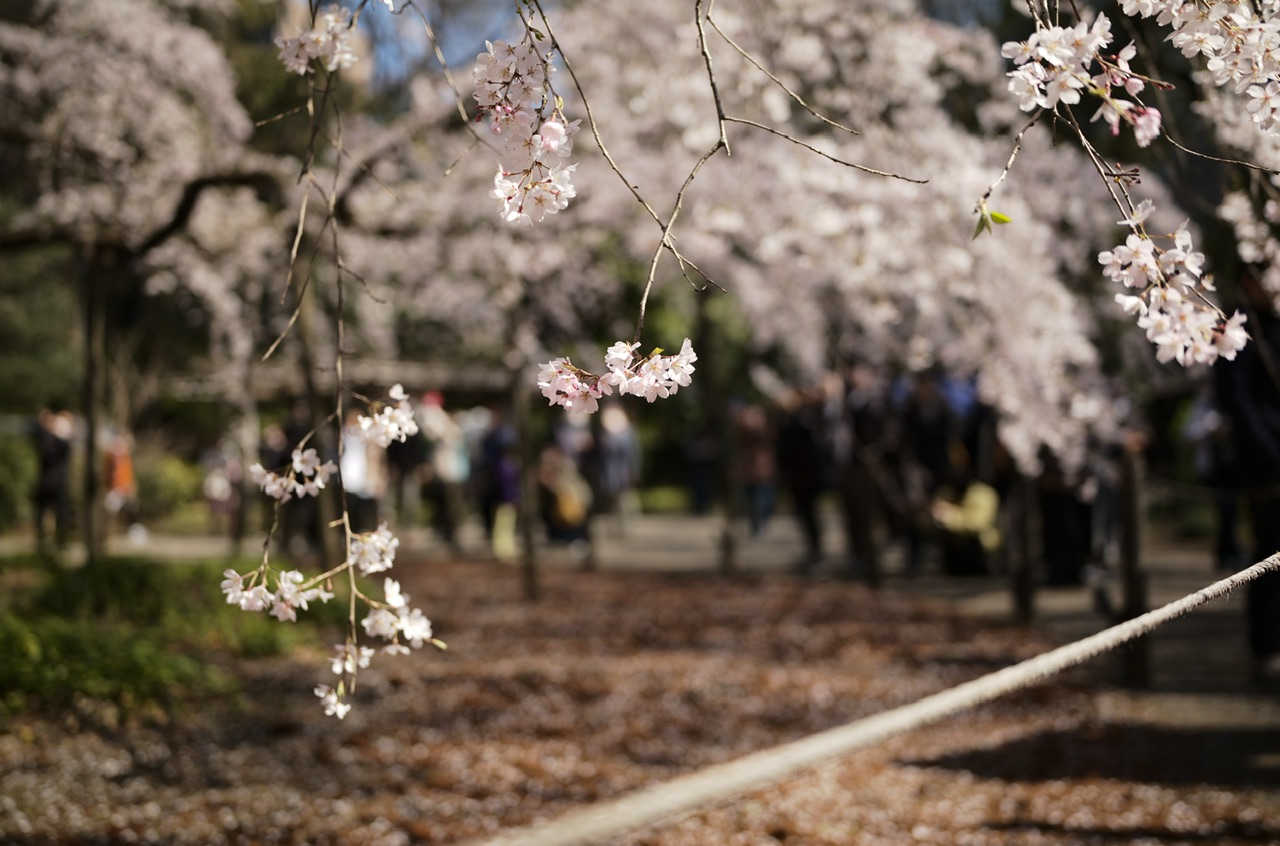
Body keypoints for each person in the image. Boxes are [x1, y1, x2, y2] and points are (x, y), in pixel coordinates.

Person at [1214, 264, 1280, 683]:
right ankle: (1267, 645)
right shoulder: (1233, 328)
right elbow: (1236, 402)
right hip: (1265, 465)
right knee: (1270, 557)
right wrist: (1272, 453)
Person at [30, 409, 73, 552]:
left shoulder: (62, 441)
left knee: (61, 514)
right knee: (42, 513)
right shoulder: (44, 438)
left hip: (59, 482)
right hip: (46, 481)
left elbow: (64, 447)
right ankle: (42, 542)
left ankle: (61, 541)